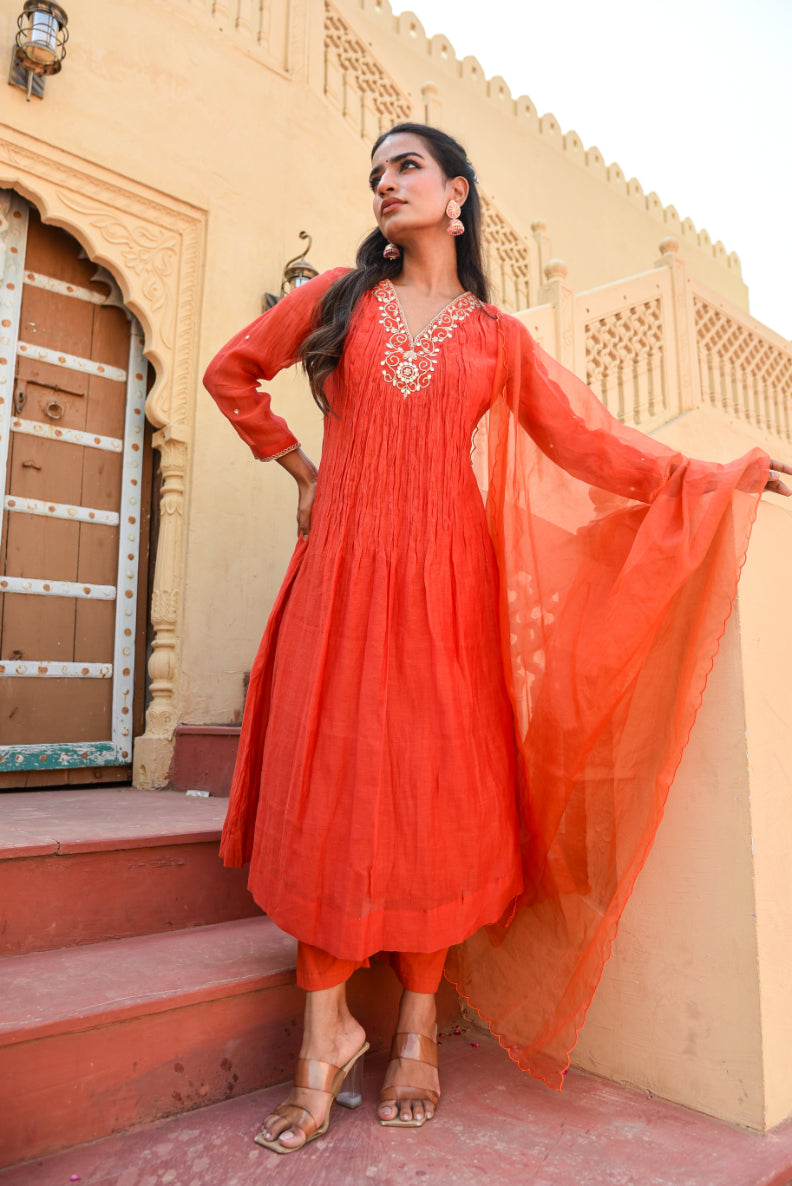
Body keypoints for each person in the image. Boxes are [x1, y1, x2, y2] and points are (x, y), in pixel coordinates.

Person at [203, 123, 790, 1154]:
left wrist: (709, 476)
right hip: (338, 582)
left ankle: (419, 1028)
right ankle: (324, 1031)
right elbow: (229, 373)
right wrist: (302, 475)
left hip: (446, 593)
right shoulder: (338, 297)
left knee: (436, 793)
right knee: (328, 788)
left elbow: (592, 440)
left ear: (457, 194)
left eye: (407, 167)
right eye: (376, 173)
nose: (385, 184)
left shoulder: (496, 339)